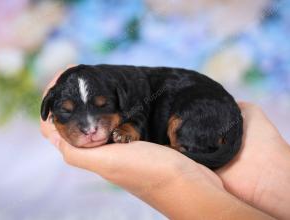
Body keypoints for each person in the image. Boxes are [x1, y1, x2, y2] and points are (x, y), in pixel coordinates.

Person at [40, 67, 290, 220]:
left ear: (119, 99)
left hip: (202, 104)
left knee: (188, 118)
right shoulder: (117, 86)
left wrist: (170, 181)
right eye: (67, 111)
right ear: (48, 110)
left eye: (102, 107)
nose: (89, 127)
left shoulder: (127, 93)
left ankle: (193, 148)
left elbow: (137, 116)